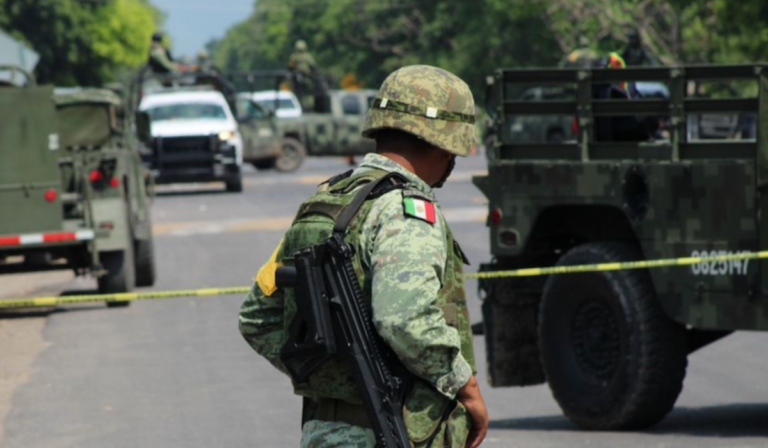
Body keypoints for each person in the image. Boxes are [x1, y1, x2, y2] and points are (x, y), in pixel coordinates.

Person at [239, 65, 488, 448]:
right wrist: (464, 386)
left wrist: (330, 374)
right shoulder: (406, 210)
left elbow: (257, 318)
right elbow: (404, 318)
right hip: (390, 433)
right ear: (442, 143)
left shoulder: (327, 202)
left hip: (323, 432)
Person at [288, 40, 318, 110]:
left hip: (302, 79)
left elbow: (290, 68)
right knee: (308, 94)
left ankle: (305, 107)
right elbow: (314, 67)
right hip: (304, 79)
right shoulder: (307, 56)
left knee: (304, 94)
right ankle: (308, 107)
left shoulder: (294, 57)